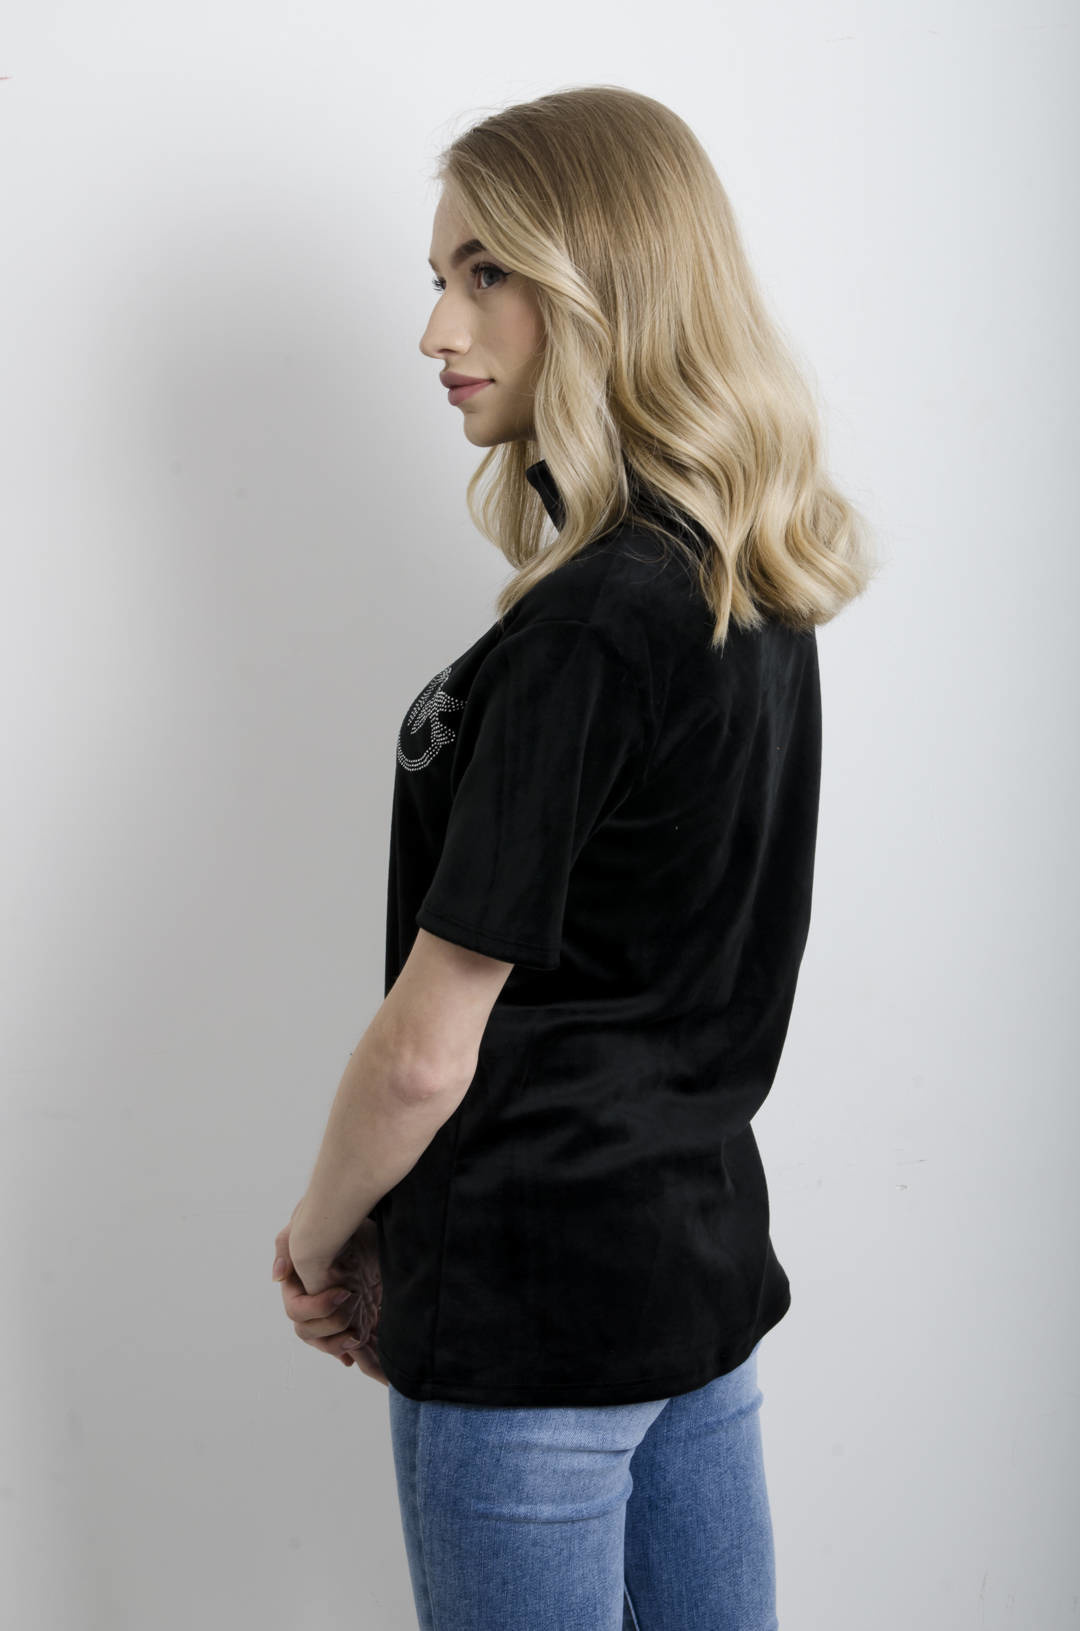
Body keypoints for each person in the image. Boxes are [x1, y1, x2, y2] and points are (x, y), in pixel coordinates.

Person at [272, 84, 878, 1631]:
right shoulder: (747, 575)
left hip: (531, 1307)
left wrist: (319, 1239)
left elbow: (425, 1052)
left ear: (605, 284)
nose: (439, 329)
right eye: (438, 277)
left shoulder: (593, 625)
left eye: (487, 274)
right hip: (693, 1281)